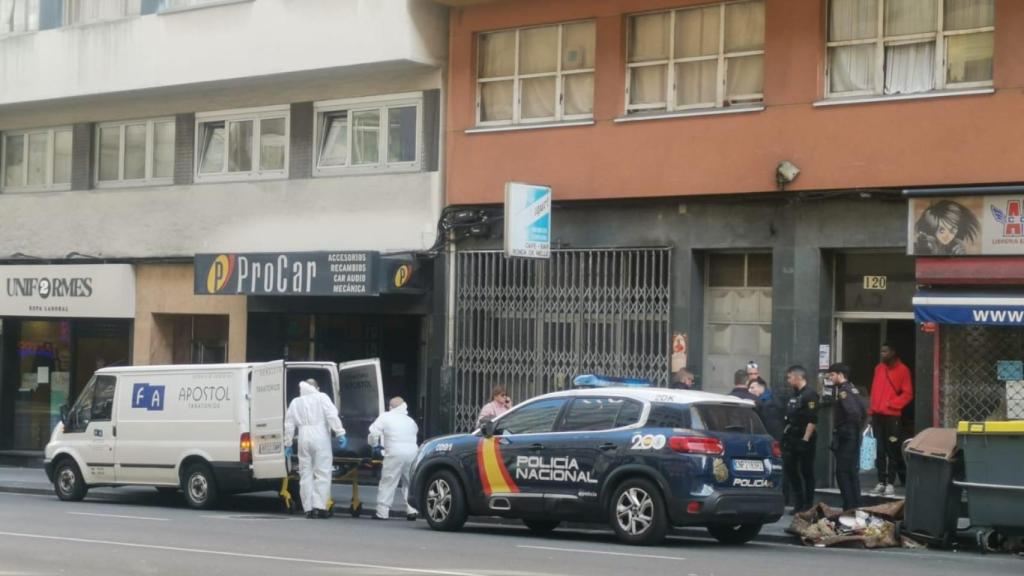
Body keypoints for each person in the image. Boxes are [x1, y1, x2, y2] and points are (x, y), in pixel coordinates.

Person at [284, 379, 345, 519]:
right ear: (316, 387)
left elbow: (289, 424)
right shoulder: (322, 397)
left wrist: (288, 443)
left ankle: (308, 508)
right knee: (322, 472)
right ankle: (320, 506)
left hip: (303, 437)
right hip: (320, 435)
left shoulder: (295, 402)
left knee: (305, 473)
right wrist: (340, 432)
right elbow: (331, 415)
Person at [869, 342, 913, 497]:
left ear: (893, 352)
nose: (882, 354)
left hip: (892, 416)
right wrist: (872, 409)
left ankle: (891, 483)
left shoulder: (903, 370)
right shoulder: (879, 368)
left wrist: (892, 404)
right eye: (881, 351)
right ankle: (881, 481)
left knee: (892, 449)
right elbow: (874, 390)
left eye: (885, 351)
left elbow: (908, 393)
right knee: (879, 450)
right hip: (877, 415)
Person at [368, 396, 420, 521]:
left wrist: (374, 445)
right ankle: (412, 510)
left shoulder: (386, 416)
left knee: (388, 482)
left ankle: (382, 512)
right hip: (413, 453)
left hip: (394, 453)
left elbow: (374, 432)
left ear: (390, 407)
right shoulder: (410, 421)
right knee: (410, 482)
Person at [828, 363, 867, 511]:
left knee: (843, 472)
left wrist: (846, 428)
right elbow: (864, 410)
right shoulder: (853, 389)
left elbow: (854, 413)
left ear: (840, 374)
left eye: (832, 375)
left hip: (847, 436)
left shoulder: (844, 391)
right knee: (851, 471)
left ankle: (849, 505)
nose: (830, 378)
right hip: (853, 434)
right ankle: (855, 505)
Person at [782, 365, 818, 513]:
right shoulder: (794, 395)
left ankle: (808, 505)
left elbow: (812, 420)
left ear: (798, 377)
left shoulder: (810, 395)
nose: (788, 380)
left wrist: (805, 439)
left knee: (806, 471)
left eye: (790, 377)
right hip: (792, 436)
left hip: (804, 437)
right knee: (791, 470)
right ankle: (798, 503)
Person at [913, 200, 981, 256]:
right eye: (941, 230)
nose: (947, 236)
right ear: (932, 228)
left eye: (952, 230)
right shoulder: (926, 244)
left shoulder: (957, 246)